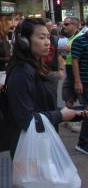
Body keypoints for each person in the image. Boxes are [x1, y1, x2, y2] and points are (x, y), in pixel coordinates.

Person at [7, 18, 84, 159]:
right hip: (30, 151)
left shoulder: (35, 67)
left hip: (43, 141)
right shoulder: (21, 73)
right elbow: (25, 119)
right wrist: (60, 115)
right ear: (24, 41)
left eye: (48, 37)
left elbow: (43, 107)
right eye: (41, 37)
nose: (48, 42)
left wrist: (75, 113)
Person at [60, 16, 84, 133]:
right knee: (68, 94)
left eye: (67, 24)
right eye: (64, 24)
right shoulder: (70, 37)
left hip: (77, 69)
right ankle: (69, 117)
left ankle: (83, 123)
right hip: (69, 68)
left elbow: (78, 55)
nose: (64, 26)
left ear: (75, 25)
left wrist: (69, 48)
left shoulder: (80, 36)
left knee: (82, 95)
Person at [70, 29, 88, 154]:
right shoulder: (79, 40)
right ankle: (83, 143)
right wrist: (77, 81)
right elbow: (74, 62)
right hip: (85, 80)